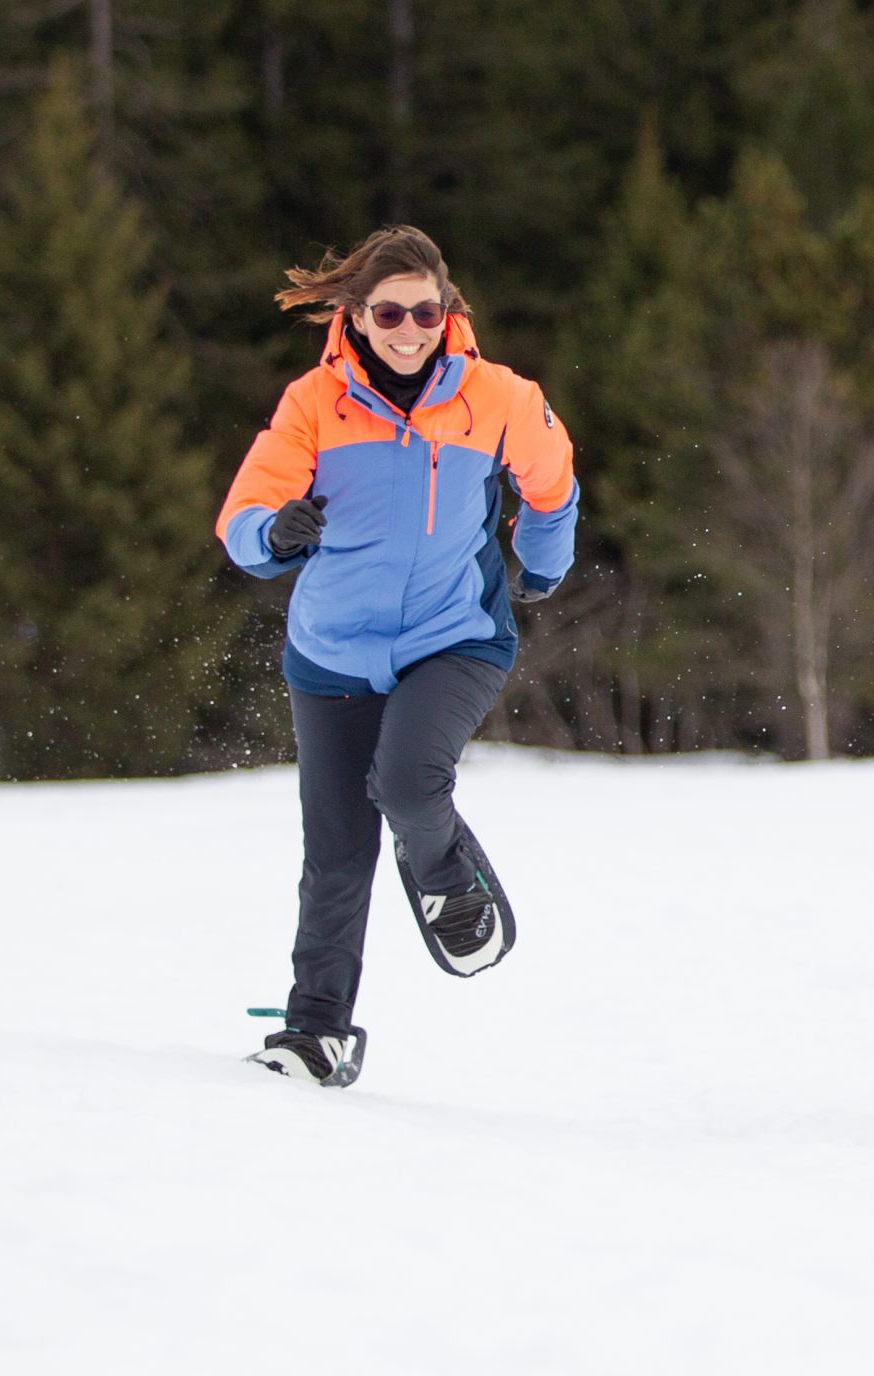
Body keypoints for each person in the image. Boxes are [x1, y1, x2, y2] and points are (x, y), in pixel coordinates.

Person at [215, 225, 579, 1084]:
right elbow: (243, 515)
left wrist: (545, 565)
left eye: (426, 310)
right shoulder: (314, 403)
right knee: (338, 852)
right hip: (333, 652)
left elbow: (553, 482)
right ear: (358, 316)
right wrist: (275, 532)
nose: (409, 329)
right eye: (389, 312)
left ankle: (448, 873)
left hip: (453, 635)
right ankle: (317, 1035)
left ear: (448, 311)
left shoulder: (498, 399)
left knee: (410, 782)